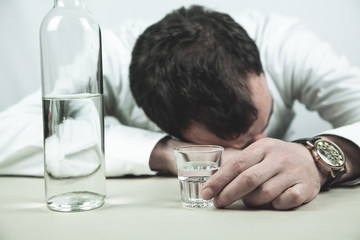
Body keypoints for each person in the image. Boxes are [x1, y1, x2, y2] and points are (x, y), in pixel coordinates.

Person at [0, 5, 360, 210]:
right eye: (234, 143)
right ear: (164, 123)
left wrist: (315, 158)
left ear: (260, 67)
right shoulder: (105, 56)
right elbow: (8, 132)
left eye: (260, 126)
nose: (256, 146)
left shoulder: (288, 45)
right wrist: (166, 153)